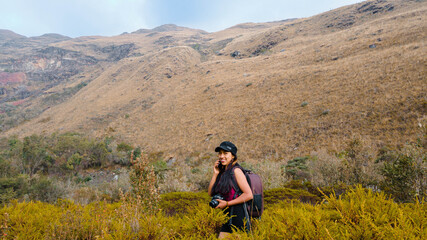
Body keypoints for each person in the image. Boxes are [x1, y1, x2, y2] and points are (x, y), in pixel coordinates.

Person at [208, 141, 253, 238]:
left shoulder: (236, 171)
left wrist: (227, 204)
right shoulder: (222, 172)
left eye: (225, 153)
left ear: (233, 156)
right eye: (220, 153)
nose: (221, 156)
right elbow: (210, 193)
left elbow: (249, 195)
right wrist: (215, 173)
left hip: (239, 217)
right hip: (227, 217)